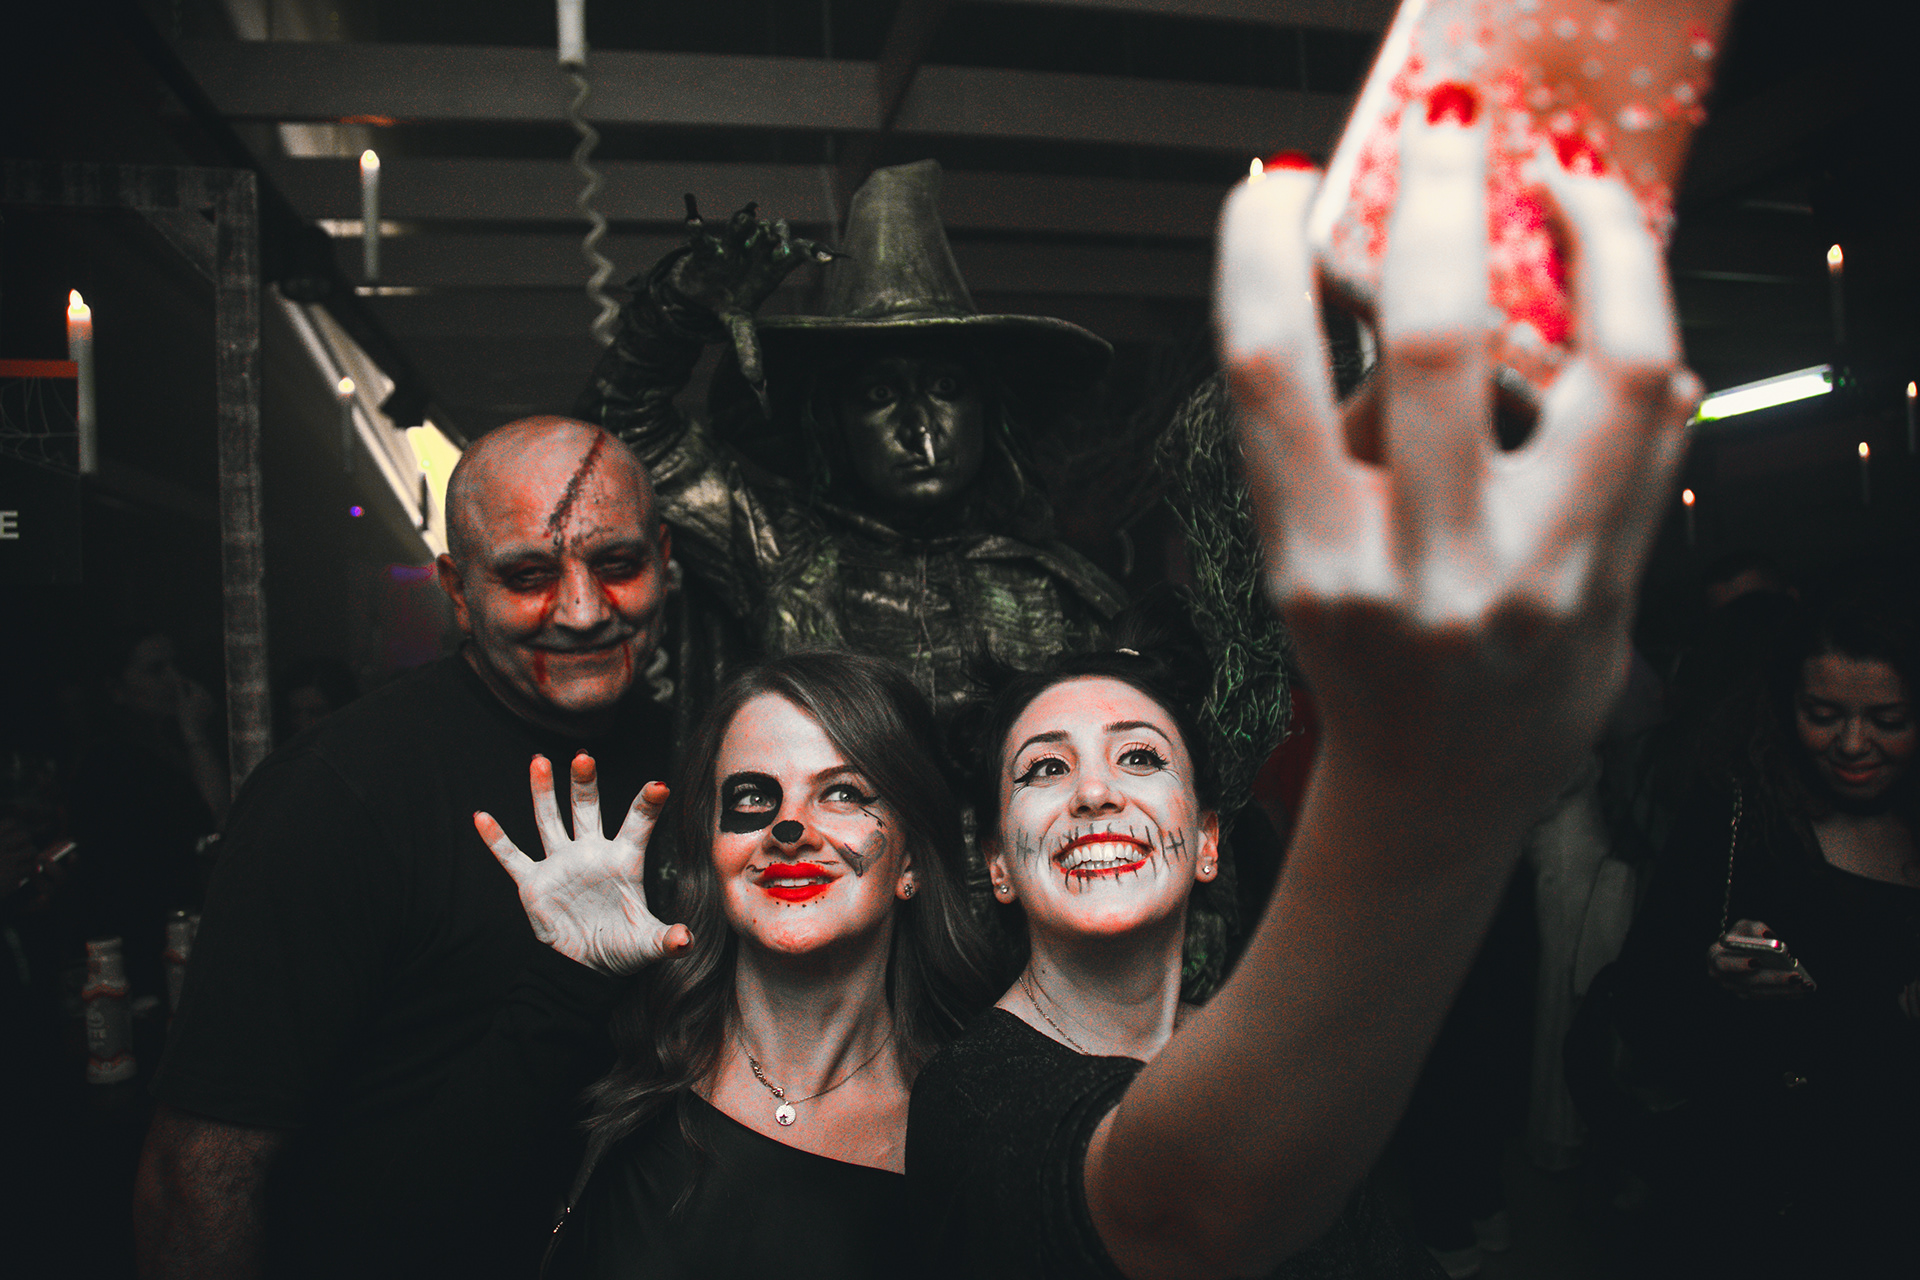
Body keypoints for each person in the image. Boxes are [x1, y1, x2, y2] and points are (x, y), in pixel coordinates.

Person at [907, 79, 1699, 1280]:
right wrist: (1423, 776)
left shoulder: (1278, 1071)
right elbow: (1186, 1209)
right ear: (995, 864)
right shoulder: (973, 1095)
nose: (1095, 788)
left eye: (1139, 755)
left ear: (1208, 841)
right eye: (1042, 768)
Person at [133, 417, 677, 1280]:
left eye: (617, 563)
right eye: (528, 576)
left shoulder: (699, 753)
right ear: (458, 590)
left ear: (664, 557)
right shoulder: (335, 795)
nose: (582, 610)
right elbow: (200, 1173)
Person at [477, 651, 996, 1278]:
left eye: (841, 793)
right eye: (753, 795)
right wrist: (569, 981)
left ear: (910, 859)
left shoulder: (974, 1132)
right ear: (712, 848)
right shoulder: (616, 1052)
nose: (789, 829)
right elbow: (424, 1229)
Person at [576, 159, 1125, 746]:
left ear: (987, 410)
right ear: (834, 424)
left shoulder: (1064, 594)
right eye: (880, 395)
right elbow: (621, 431)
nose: (920, 428)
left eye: (946, 389)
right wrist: (676, 312)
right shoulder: (778, 551)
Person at [1606, 584, 1919, 1274]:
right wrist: (1714, 971)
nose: (1853, 744)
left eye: (1890, 719)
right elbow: (1639, 1001)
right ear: (1787, 705)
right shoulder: (1741, 812)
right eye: (1822, 715)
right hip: (1755, 1187)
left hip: (1890, 1189)